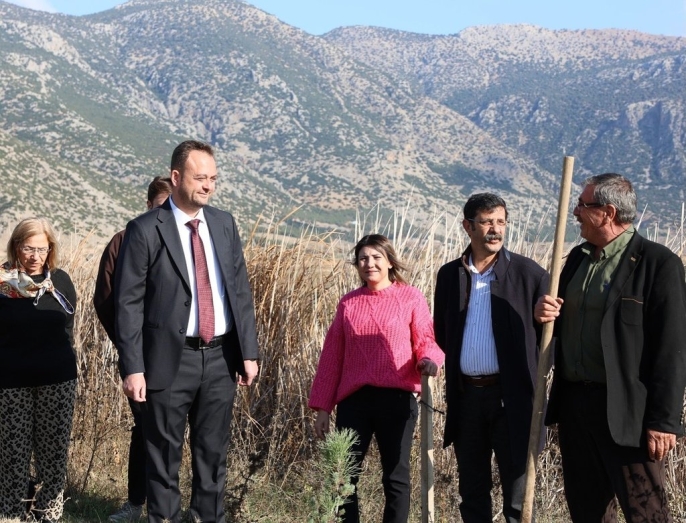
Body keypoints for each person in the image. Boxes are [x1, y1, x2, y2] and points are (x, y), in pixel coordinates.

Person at [114, 140, 260, 523]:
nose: (208, 186)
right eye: (200, 178)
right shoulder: (145, 229)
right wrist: (133, 367)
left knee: (213, 457)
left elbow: (239, 291)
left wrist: (248, 351)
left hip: (221, 359)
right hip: (167, 362)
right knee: (163, 459)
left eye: (213, 178)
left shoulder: (224, 224)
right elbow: (127, 304)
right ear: (176, 177)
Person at [535, 173, 686, 522]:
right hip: (576, 406)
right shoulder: (578, 259)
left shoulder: (657, 263)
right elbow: (561, 323)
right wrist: (542, 315)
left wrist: (664, 421)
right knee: (587, 511)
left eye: (582, 205)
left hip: (627, 412)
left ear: (607, 212)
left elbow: (672, 348)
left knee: (645, 512)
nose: (575, 212)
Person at [309, 234, 444, 523]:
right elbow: (332, 357)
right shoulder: (349, 303)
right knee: (344, 476)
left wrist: (428, 360)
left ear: (390, 262)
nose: (369, 263)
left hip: (397, 400)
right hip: (354, 402)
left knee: (396, 477)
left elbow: (425, 339)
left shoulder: (410, 297)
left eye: (376, 257)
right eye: (363, 258)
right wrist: (323, 408)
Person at [433, 193, 549, 523]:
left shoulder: (529, 275)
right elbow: (442, 332)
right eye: (486, 222)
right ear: (468, 226)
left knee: (517, 492)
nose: (495, 230)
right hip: (467, 397)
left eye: (500, 222)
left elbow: (550, 340)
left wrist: (543, 320)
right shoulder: (449, 275)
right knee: (472, 490)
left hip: (511, 399)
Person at [93, 176, 173, 522]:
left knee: (179, 431)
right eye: (160, 206)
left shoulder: (189, 242)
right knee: (146, 429)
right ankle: (137, 503)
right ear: (147, 205)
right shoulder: (123, 241)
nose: (165, 214)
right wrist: (130, 347)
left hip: (184, 356)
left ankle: (175, 506)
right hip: (141, 357)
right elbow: (106, 300)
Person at [0, 217, 77, 523]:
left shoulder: (61, 282)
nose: (35, 256)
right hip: (9, 382)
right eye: (28, 248)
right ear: (16, 247)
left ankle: (48, 514)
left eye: (42, 249)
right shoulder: (1, 282)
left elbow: (68, 328)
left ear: (50, 249)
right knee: (11, 456)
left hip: (57, 381)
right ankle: (10, 514)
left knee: (53, 456)